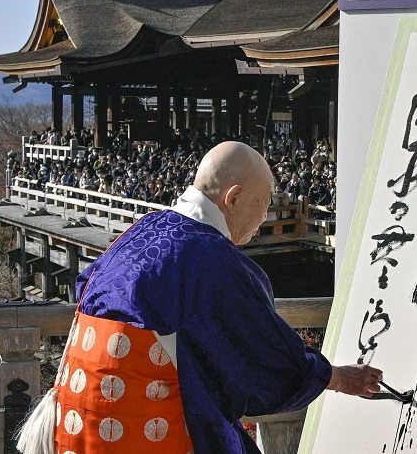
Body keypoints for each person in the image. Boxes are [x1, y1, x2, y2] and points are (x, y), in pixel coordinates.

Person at [54, 141, 382, 452]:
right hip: (146, 425)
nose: (266, 214)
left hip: (77, 415)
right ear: (234, 198)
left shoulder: (145, 228)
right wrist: (336, 377)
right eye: (264, 201)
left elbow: (87, 287)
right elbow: (267, 362)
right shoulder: (212, 259)